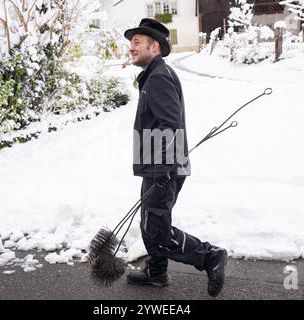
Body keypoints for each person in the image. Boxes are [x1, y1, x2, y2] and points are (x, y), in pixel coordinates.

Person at [124, 18, 228, 297]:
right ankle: (157, 273)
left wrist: (162, 167)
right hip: (160, 165)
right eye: (131, 43)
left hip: (163, 167)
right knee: (152, 222)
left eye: (136, 42)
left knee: (156, 231)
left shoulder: (158, 77)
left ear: (153, 46)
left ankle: (210, 257)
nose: (131, 48)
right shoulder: (154, 75)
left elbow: (170, 125)